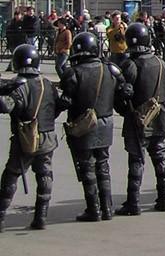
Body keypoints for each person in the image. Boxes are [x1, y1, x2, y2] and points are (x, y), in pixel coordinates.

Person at [60, 31, 124, 221]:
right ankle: (107, 208)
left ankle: (93, 209)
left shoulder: (73, 73)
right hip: (106, 122)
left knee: (87, 167)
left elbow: (66, 100)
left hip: (84, 124)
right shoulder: (110, 69)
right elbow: (123, 93)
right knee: (103, 165)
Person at [0, 44, 61, 232]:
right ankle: (41, 217)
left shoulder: (19, 86)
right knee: (44, 174)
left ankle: (0, 217)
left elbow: (6, 106)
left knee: (11, 176)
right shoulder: (48, 84)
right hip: (48, 136)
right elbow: (56, 107)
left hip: (25, 137)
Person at [115, 22, 165, 215]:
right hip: (161, 116)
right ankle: (164, 198)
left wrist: (123, 107)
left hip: (138, 118)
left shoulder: (131, 64)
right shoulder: (161, 63)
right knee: (160, 158)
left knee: (136, 161)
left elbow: (125, 93)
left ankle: (133, 202)